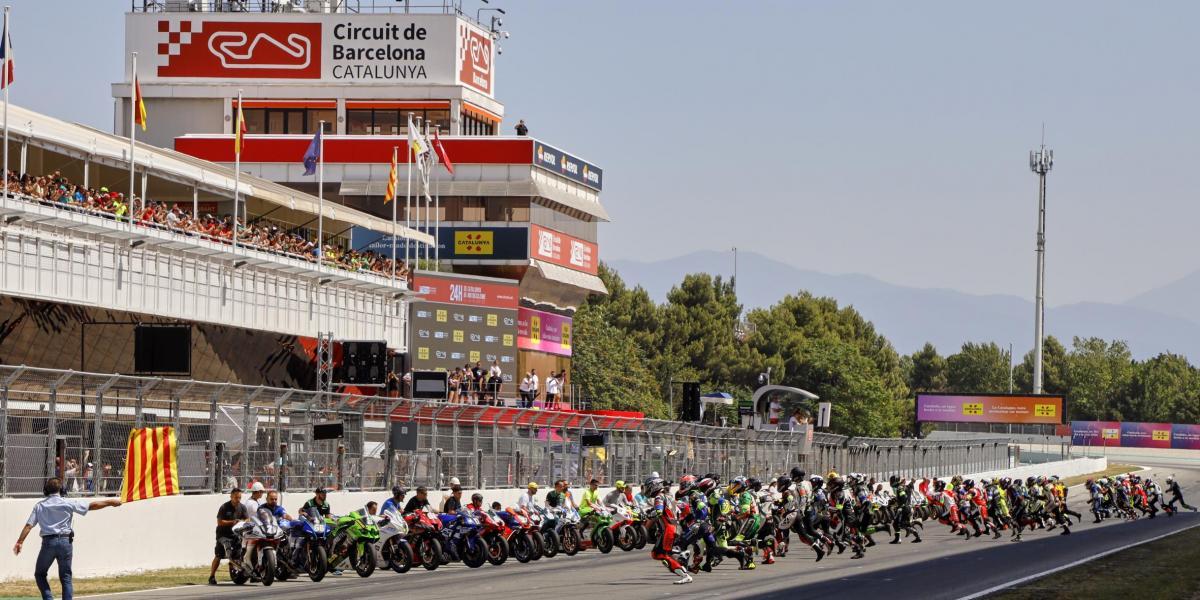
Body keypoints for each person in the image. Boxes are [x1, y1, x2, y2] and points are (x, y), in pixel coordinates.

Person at [13, 478, 121, 600]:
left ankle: (48, 598)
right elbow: (92, 505)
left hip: (48, 543)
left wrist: (20, 542)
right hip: (65, 542)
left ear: (45, 491)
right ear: (62, 490)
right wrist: (110, 502)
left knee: (40, 574)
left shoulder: (39, 506)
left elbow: (29, 526)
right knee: (65, 577)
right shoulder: (68, 502)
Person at [209, 488, 249, 585]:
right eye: (236, 497)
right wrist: (233, 522)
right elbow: (219, 522)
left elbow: (247, 518)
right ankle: (212, 576)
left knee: (237, 555)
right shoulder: (224, 507)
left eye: (239, 497)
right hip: (223, 535)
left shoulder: (242, 507)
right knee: (219, 555)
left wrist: (243, 522)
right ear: (231, 497)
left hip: (236, 535)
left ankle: (235, 574)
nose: (238, 499)